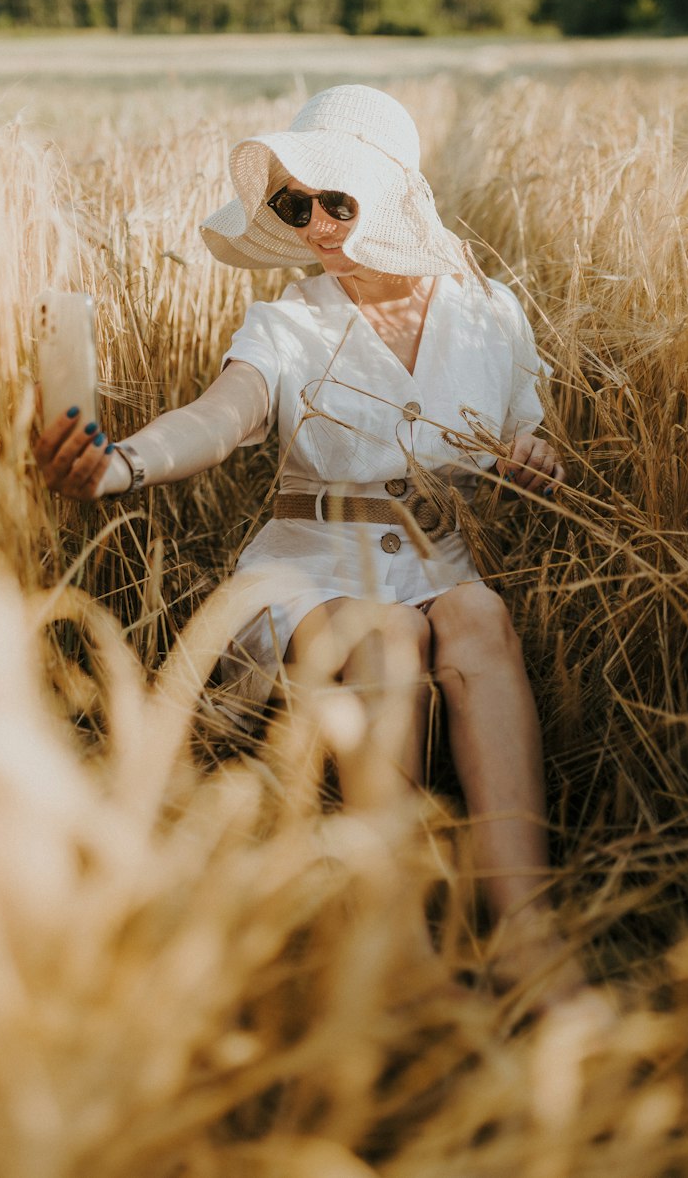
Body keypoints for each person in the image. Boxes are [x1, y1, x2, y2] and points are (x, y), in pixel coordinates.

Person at [34, 85, 580, 999]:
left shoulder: (491, 315)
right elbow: (217, 418)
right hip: (306, 570)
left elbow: (541, 438)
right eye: (294, 205)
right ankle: (397, 937)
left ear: (395, 193)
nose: (316, 225)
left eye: (336, 199)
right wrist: (119, 463)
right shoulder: (288, 321)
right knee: (386, 635)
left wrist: (537, 461)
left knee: (478, 612)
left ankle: (525, 926)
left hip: (438, 561)